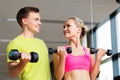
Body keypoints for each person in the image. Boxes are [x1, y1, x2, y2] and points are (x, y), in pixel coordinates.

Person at [6, 6, 51, 80]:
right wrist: (23, 63)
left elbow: (47, 72)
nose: (40, 23)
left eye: (39, 20)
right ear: (25, 21)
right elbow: (12, 73)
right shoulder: (15, 43)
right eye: (36, 20)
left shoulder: (41, 43)